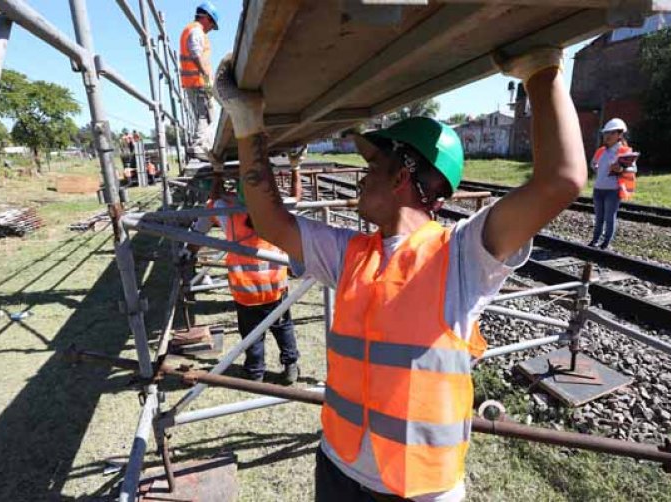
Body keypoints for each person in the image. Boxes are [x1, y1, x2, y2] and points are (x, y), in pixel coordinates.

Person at [214, 46, 586, 501]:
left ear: (400, 178)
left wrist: (541, 71)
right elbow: (273, 222)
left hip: (418, 489)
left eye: (372, 166)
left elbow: (562, 179)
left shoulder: (462, 254)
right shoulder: (353, 252)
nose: (361, 178)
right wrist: (249, 125)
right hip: (337, 464)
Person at [191, 180, 300, 385]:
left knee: (252, 332)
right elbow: (296, 198)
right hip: (274, 286)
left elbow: (214, 200)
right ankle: (290, 366)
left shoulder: (231, 215)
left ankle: (255, 371)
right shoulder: (274, 212)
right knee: (283, 327)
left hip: (246, 289)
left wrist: (217, 172)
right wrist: (296, 168)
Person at [588, 118, 638, 250]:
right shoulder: (601, 151)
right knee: (599, 217)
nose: (607, 136)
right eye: (606, 133)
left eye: (611, 133)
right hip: (598, 189)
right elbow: (593, 164)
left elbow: (634, 169)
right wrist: (596, 166)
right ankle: (595, 240)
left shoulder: (625, 152)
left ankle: (605, 243)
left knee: (609, 217)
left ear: (619, 135)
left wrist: (621, 169)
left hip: (613, 190)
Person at [180, 2, 219, 158]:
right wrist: (205, 74)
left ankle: (205, 145)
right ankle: (198, 147)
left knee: (206, 115)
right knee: (204, 114)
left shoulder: (191, 30)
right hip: (198, 81)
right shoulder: (196, 31)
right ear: (206, 18)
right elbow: (195, 52)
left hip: (194, 82)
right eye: (212, 25)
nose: (211, 29)